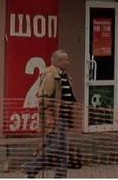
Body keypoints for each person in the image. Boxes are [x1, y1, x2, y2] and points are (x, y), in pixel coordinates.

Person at [24, 50, 78, 178]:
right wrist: (49, 118)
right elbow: (44, 98)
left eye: (68, 59)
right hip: (56, 118)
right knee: (55, 147)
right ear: (57, 61)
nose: (68, 62)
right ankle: (31, 166)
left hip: (65, 117)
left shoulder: (64, 75)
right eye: (65, 60)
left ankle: (60, 176)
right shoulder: (51, 75)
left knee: (63, 151)